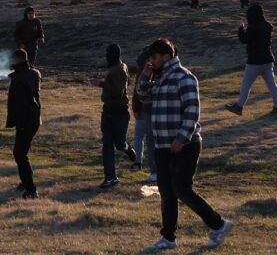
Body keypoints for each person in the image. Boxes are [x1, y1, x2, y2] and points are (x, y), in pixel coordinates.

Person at [137, 39, 233, 251]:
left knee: (182, 190)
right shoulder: (160, 79)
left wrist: (181, 138)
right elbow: (143, 95)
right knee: (167, 193)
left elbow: (192, 111)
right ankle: (168, 238)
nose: (152, 61)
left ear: (166, 56)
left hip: (185, 145)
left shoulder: (185, 77)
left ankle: (218, 225)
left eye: (154, 57)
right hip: (163, 146)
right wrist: (145, 75)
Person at [225, 4, 277, 116]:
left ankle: (239, 106)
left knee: (246, 85)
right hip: (267, 59)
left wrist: (241, 29)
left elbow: (244, 39)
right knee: (272, 85)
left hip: (254, 61)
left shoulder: (253, 27)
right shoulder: (267, 26)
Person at [96, 44, 137, 188]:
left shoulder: (119, 69)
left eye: (108, 54)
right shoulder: (118, 67)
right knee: (107, 144)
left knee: (119, 144)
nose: (106, 57)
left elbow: (118, 92)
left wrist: (101, 84)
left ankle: (128, 148)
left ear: (114, 55)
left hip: (119, 112)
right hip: (108, 110)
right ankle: (110, 177)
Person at [5, 48, 42, 199]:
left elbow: (21, 104)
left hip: (25, 120)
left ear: (16, 60)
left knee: (20, 154)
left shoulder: (18, 79)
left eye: (11, 59)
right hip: (34, 118)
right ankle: (25, 182)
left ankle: (31, 189)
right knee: (21, 153)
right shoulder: (35, 73)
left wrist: (19, 123)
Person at [131, 46, 158, 182]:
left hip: (145, 109)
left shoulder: (144, 69)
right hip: (147, 109)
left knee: (142, 137)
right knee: (148, 139)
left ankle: (139, 162)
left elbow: (137, 92)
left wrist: (135, 108)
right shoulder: (154, 68)